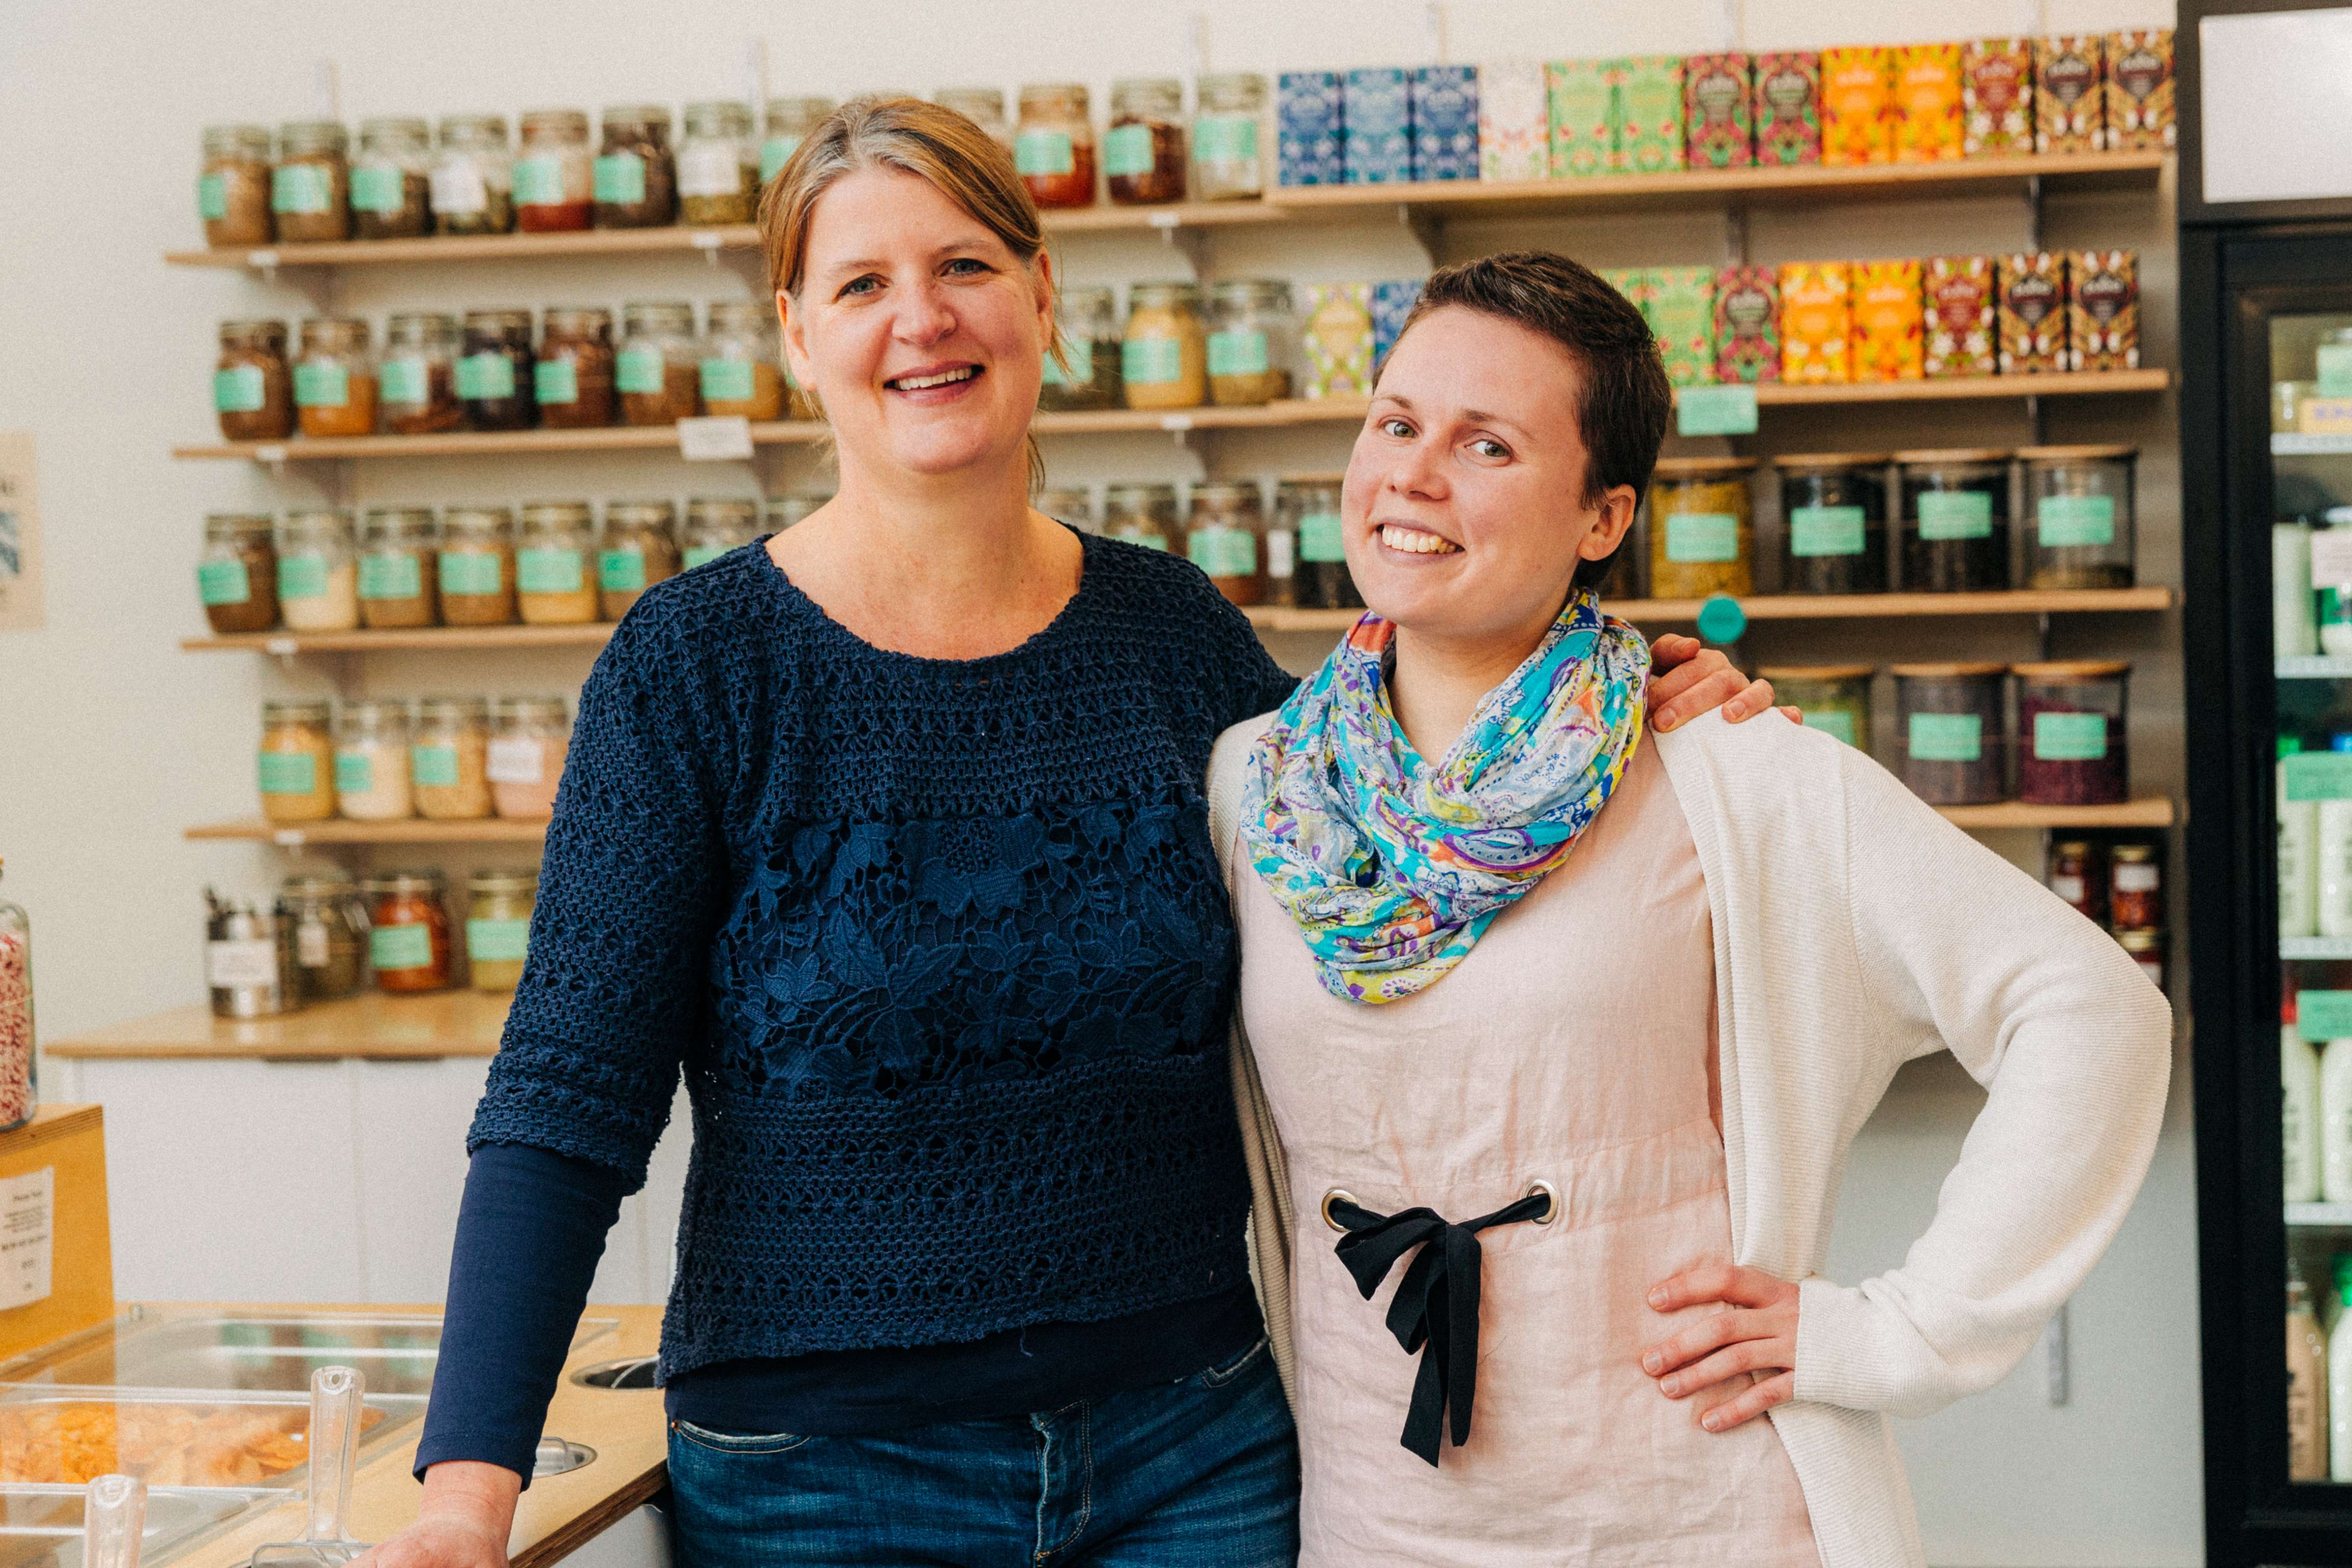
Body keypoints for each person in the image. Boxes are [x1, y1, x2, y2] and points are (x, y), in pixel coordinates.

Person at [354, 106, 1775, 1568]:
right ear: (794, 333)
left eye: (964, 264)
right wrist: (468, 1495)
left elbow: (1415, 851)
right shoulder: (699, 668)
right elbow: (563, 1101)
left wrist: (1619, 699)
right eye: (861, 285)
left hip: (1196, 1449)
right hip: (824, 1478)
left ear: (1041, 295)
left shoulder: (1173, 637)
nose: (923, 319)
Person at [1205, 250, 2174, 1568]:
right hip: (1375, 1518)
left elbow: (2091, 1010)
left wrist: (1892, 1330)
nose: (1415, 476)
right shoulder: (1258, 786)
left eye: (1487, 444)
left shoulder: (1728, 764)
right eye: (1396, 423)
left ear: (1603, 519)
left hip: (1684, 1506)